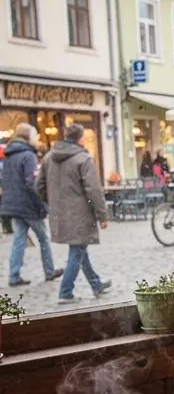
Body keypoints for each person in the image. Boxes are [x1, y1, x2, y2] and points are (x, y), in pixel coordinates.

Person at [36, 121, 111, 303]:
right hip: (80, 213)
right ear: (80, 138)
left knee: (79, 248)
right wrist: (102, 215)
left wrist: (53, 202)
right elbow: (93, 190)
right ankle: (65, 292)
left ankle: (96, 284)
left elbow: (38, 186)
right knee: (77, 250)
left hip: (59, 213)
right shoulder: (83, 159)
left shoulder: (48, 158)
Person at [1, 123, 63, 287]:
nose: (37, 139)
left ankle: (14, 275)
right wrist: (42, 205)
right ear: (28, 137)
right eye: (35, 135)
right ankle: (49, 271)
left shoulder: (8, 155)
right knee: (43, 238)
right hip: (29, 206)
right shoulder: (28, 155)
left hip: (13, 205)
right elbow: (32, 183)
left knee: (18, 240)